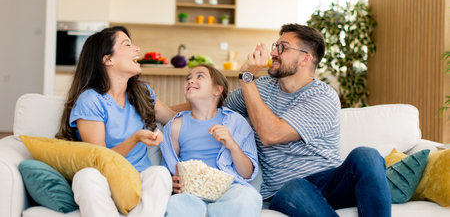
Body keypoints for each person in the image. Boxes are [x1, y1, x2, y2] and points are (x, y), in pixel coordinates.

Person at [225, 23, 391, 217]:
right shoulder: (259, 87)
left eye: (282, 47)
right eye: (274, 46)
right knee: (295, 187)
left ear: (305, 59)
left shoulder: (323, 96)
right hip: (284, 191)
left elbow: (271, 134)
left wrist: (247, 78)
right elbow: (216, 106)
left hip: (329, 184)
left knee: (367, 155)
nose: (273, 53)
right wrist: (181, 110)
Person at [56, 26, 175, 217]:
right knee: (86, 177)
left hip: (138, 180)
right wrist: (135, 138)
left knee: (160, 174)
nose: (136, 49)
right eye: (127, 44)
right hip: (104, 182)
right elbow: (101, 158)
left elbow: (172, 117)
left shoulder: (141, 93)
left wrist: (205, 101)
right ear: (108, 59)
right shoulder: (91, 100)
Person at [159, 64, 262, 217]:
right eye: (188, 78)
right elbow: (169, 171)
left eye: (199, 76)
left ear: (217, 90)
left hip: (229, 189)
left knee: (247, 197)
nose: (191, 80)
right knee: (174, 205)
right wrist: (172, 182)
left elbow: (247, 173)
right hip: (191, 193)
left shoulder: (235, 122)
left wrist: (231, 144)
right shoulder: (175, 126)